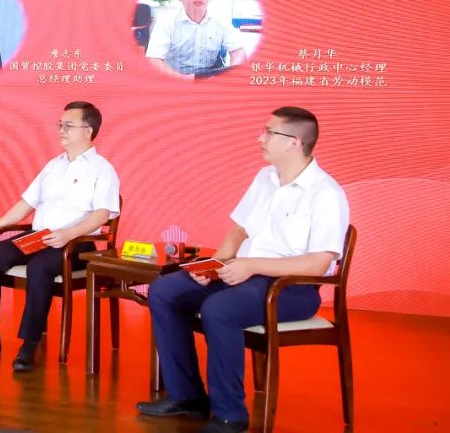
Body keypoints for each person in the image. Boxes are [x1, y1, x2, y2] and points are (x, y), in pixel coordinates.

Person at [136, 107, 349, 433]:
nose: (260, 138)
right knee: (166, 290)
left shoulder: (326, 193)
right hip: (243, 274)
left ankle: (230, 415)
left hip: (291, 288)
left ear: (294, 142)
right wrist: (213, 265)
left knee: (219, 309)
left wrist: (252, 265)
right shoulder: (265, 178)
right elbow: (239, 230)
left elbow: (319, 263)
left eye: (269, 132)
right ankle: (187, 396)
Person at [0, 101, 120, 372]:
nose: (61, 130)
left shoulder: (102, 169)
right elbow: (27, 203)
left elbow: (101, 215)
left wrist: (68, 234)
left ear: (88, 131)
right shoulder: (53, 165)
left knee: (40, 268)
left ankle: (29, 345)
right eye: (60, 124)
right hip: (39, 238)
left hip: (76, 244)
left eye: (68, 126)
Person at [145, 0, 248, 78]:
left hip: (210, 76)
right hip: (174, 77)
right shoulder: (166, 21)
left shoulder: (221, 20)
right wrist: (183, 79)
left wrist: (230, 74)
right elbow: (153, 59)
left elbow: (238, 52)